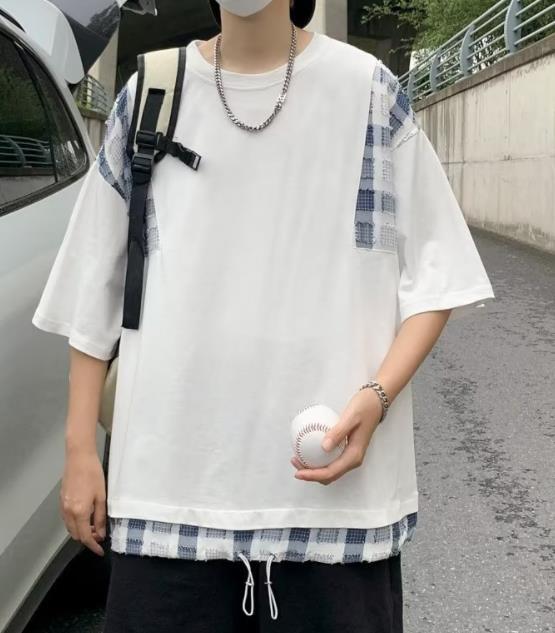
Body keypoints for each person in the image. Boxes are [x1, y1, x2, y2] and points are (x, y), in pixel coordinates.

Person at [31, 0, 495, 631]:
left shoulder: (368, 93)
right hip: (171, 498)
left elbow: (437, 276)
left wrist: (378, 395)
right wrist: (81, 449)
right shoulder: (150, 95)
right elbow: (93, 289)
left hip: (333, 510)